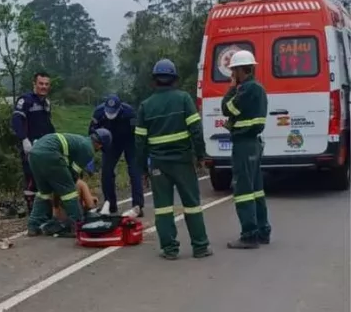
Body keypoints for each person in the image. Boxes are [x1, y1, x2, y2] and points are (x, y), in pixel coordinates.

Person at [134, 59, 212, 260]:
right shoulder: (184, 99)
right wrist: (200, 155)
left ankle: (169, 249)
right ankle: (200, 247)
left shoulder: (145, 106)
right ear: (174, 79)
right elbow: (196, 130)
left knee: (163, 208)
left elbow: (139, 142)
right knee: (192, 204)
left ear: (155, 81)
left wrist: (143, 170)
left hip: (158, 165)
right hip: (183, 161)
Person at [221, 49, 272, 249]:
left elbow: (226, 108)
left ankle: (249, 234)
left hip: (243, 145)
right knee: (256, 190)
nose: (232, 74)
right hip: (255, 144)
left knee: (243, 191)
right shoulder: (258, 88)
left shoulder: (246, 89)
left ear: (241, 70)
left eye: (234, 70)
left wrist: (232, 88)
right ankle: (262, 231)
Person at [26, 129, 104, 237]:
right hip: (50, 154)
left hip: (34, 154)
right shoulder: (88, 149)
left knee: (44, 193)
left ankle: (33, 226)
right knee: (69, 192)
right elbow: (73, 174)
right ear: (99, 145)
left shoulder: (79, 141)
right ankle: (76, 225)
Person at [89, 95, 145, 217]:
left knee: (134, 170)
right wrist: (92, 152)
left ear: (119, 108)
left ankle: (138, 206)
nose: (110, 114)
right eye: (108, 111)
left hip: (130, 140)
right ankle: (110, 204)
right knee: (107, 171)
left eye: (113, 112)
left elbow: (139, 133)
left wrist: (142, 151)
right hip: (110, 142)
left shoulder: (130, 113)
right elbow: (92, 133)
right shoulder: (99, 113)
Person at [12, 72, 56, 215]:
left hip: (46, 146)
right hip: (30, 146)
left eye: (46, 84)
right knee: (31, 177)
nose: (43, 87)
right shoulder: (25, 100)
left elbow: (48, 124)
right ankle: (32, 211)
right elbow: (16, 121)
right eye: (41, 83)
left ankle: (45, 208)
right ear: (34, 84)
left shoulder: (46, 103)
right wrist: (24, 139)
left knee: (46, 176)